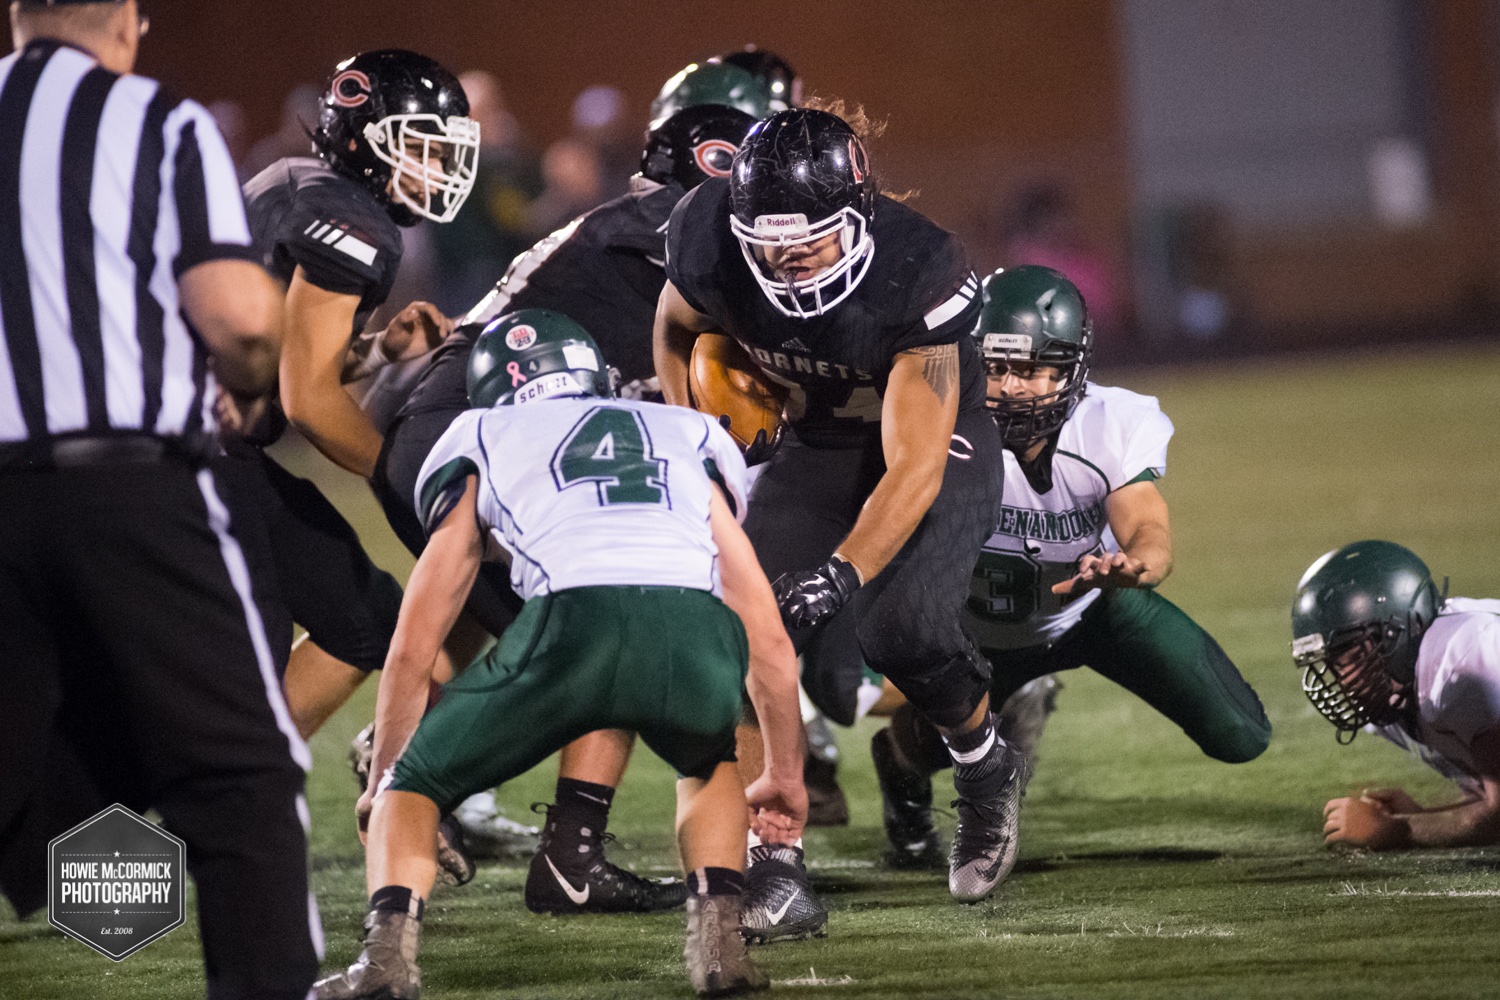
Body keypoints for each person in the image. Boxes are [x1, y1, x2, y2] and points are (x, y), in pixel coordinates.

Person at [314, 311, 806, 999]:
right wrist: (785, 769)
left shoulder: (481, 433)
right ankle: (721, 953)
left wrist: (384, 779)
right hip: (691, 629)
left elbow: (415, 642)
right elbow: (768, 634)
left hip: (571, 621)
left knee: (412, 786)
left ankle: (387, 965)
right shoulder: (685, 430)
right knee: (709, 763)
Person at [371, 99, 762, 913]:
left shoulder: (621, 226)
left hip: (459, 430)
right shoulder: (673, 237)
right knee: (613, 604)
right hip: (487, 433)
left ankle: (420, 770)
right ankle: (543, 843)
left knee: (586, 614)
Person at [0, 2, 318, 997]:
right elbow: (232, 314)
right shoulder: (154, 119)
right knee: (242, 781)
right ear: (130, 19)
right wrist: (254, 373)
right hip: (128, 483)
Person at [654, 106, 1013, 919]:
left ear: (860, 212)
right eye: (771, 243)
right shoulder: (706, 236)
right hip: (816, 437)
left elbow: (914, 462)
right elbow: (674, 326)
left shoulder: (918, 266)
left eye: (810, 239)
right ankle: (772, 851)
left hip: (937, 440)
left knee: (903, 630)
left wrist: (840, 573)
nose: (789, 261)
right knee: (738, 629)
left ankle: (985, 767)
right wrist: (690, 443)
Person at [870, 266, 1270, 868]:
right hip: (983, 634)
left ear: (1070, 369)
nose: (1010, 387)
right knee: (917, 748)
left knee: (1243, 737)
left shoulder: (1108, 424)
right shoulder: (935, 422)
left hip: (1096, 609)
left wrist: (1136, 565)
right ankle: (895, 766)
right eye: (997, 368)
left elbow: (1146, 522)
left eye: (1030, 370)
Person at [224, 49, 480, 746]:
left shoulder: (301, 182)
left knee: (356, 620)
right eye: (420, 148)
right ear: (368, 140)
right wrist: (414, 483)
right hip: (200, 454)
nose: (433, 169)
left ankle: (241, 782)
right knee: (354, 622)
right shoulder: (351, 216)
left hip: (195, 440)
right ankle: (240, 785)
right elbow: (307, 399)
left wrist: (379, 351)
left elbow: (285, 359)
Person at [1293, 540, 1500, 849]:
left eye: (1349, 654)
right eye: (1333, 663)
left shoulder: (1462, 661)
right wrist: (1424, 816)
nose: (1342, 678)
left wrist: (1405, 830)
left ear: (1398, 633)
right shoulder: (1402, 693)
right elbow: (1488, 794)